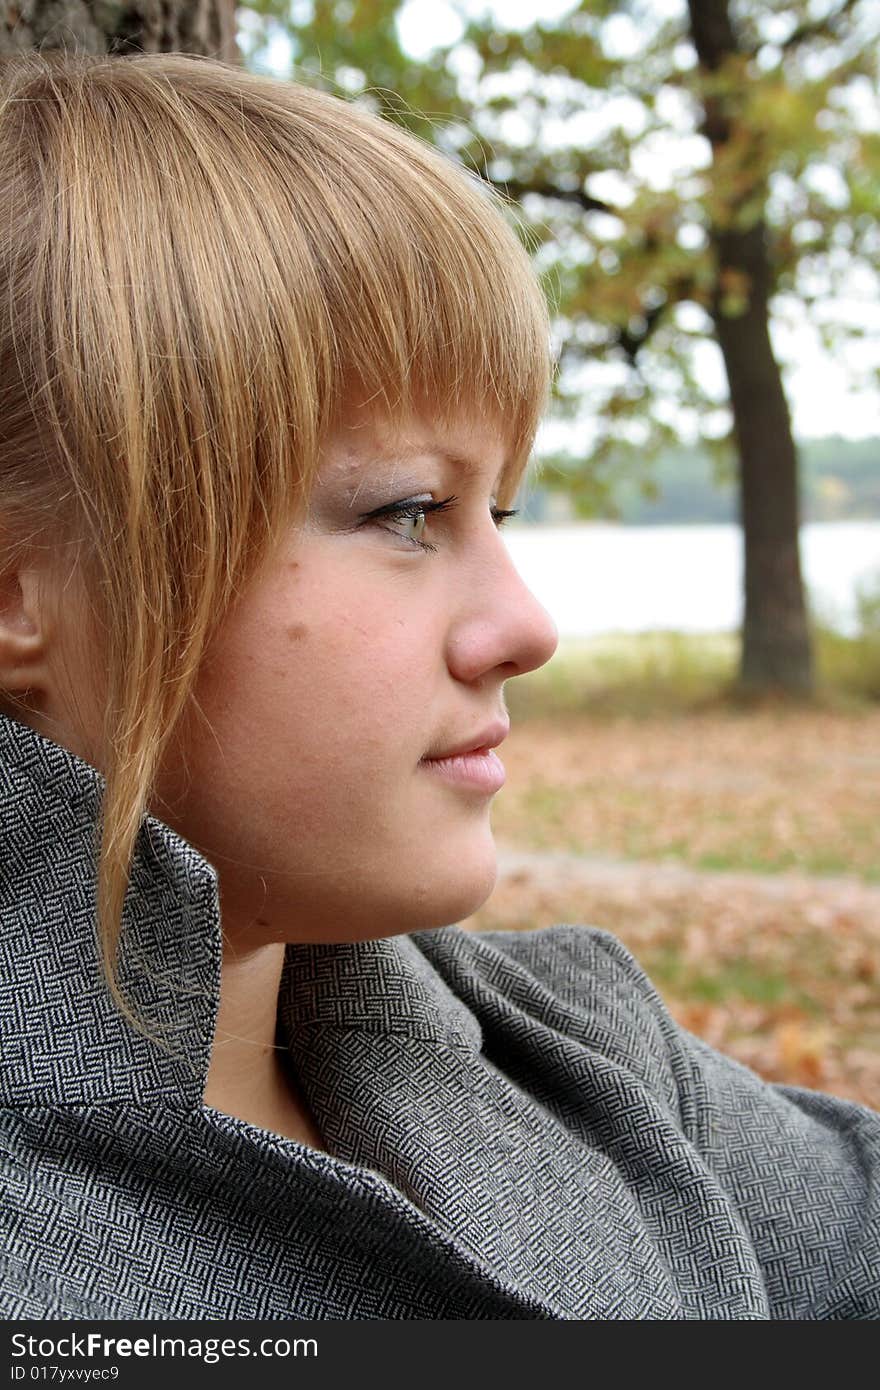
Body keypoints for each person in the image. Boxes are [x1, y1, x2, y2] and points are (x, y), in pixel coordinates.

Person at [0, 49, 877, 1324]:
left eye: (497, 509)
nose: (525, 627)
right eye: (409, 509)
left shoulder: (575, 1055)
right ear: (23, 588)